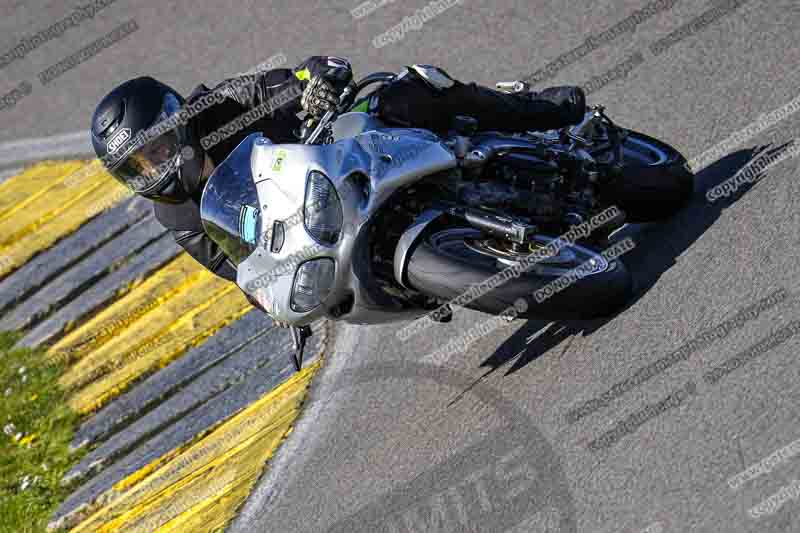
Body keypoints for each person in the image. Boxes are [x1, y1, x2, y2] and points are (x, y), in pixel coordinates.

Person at [90, 56, 586, 283]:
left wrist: (311, 85)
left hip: (334, 154)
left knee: (406, 94)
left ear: (176, 122)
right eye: (137, 166)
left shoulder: (215, 107)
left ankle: (534, 111)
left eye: (154, 150)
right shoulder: (175, 217)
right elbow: (236, 268)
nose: (153, 169)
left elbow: (280, 82)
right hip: (314, 228)